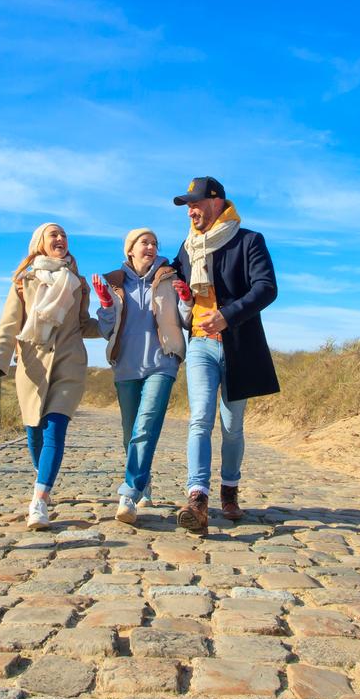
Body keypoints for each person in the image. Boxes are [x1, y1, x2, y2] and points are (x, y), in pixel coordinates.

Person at [170, 176, 279, 533]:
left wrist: (227, 316)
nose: (191, 210)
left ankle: (229, 489)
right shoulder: (189, 248)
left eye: (195, 202)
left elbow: (267, 288)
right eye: (187, 205)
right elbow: (169, 271)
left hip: (238, 346)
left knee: (232, 427)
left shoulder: (249, 241)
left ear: (217, 202)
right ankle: (197, 497)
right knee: (200, 418)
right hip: (200, 343)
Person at [0, 222, 99, 529]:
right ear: (40, 243)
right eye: (54, 235)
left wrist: (112, 321)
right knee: (34, 432)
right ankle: (44, 479)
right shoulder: (24, 281)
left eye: (64, 235)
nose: (61, 239)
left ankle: (39, 499)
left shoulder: (77, 282)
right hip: (32, 364)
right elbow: (9, 324)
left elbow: (83, 324)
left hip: (69, 363)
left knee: (54, 427)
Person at [93, 228, 193, 524]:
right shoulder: (114, 281)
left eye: (154, 243)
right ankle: (143, 478)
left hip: (162, 362)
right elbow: (105, 329)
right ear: (130, 250)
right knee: (130, 433)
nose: (150, 247)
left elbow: (186, 319)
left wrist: (186, 299)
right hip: (125, 364)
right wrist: (106, 305)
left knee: (145, 427)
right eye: (144, 243)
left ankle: (129, 494)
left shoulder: (170, 276)